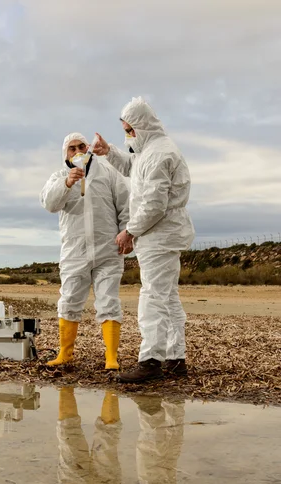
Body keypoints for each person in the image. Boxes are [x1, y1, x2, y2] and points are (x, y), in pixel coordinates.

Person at [94, 97, 195, 382]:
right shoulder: (151, 150)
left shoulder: (159, 154)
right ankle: (176, 358)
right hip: (162, 234)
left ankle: (150, 360)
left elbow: (153, 204)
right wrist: (108, 152)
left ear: (142, 127)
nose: (128, 135)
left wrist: (130, 231)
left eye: (129, 130)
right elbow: (132, 167)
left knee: (152, 296)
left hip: (159, 235)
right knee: (168, 297)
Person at [40, 133, 131, 370]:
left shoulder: (108, 172)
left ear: (89, 148)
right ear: (66, 154)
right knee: (69, 299)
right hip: (74, 251)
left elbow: (125, 205)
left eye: (82, 146)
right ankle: (65, 353)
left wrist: (127, 234)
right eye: (72, 148)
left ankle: (111, 357)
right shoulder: (59, 177)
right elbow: (49, 204)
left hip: (108, 250)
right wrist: (67, 183)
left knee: (109, 301)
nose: (78, 150)